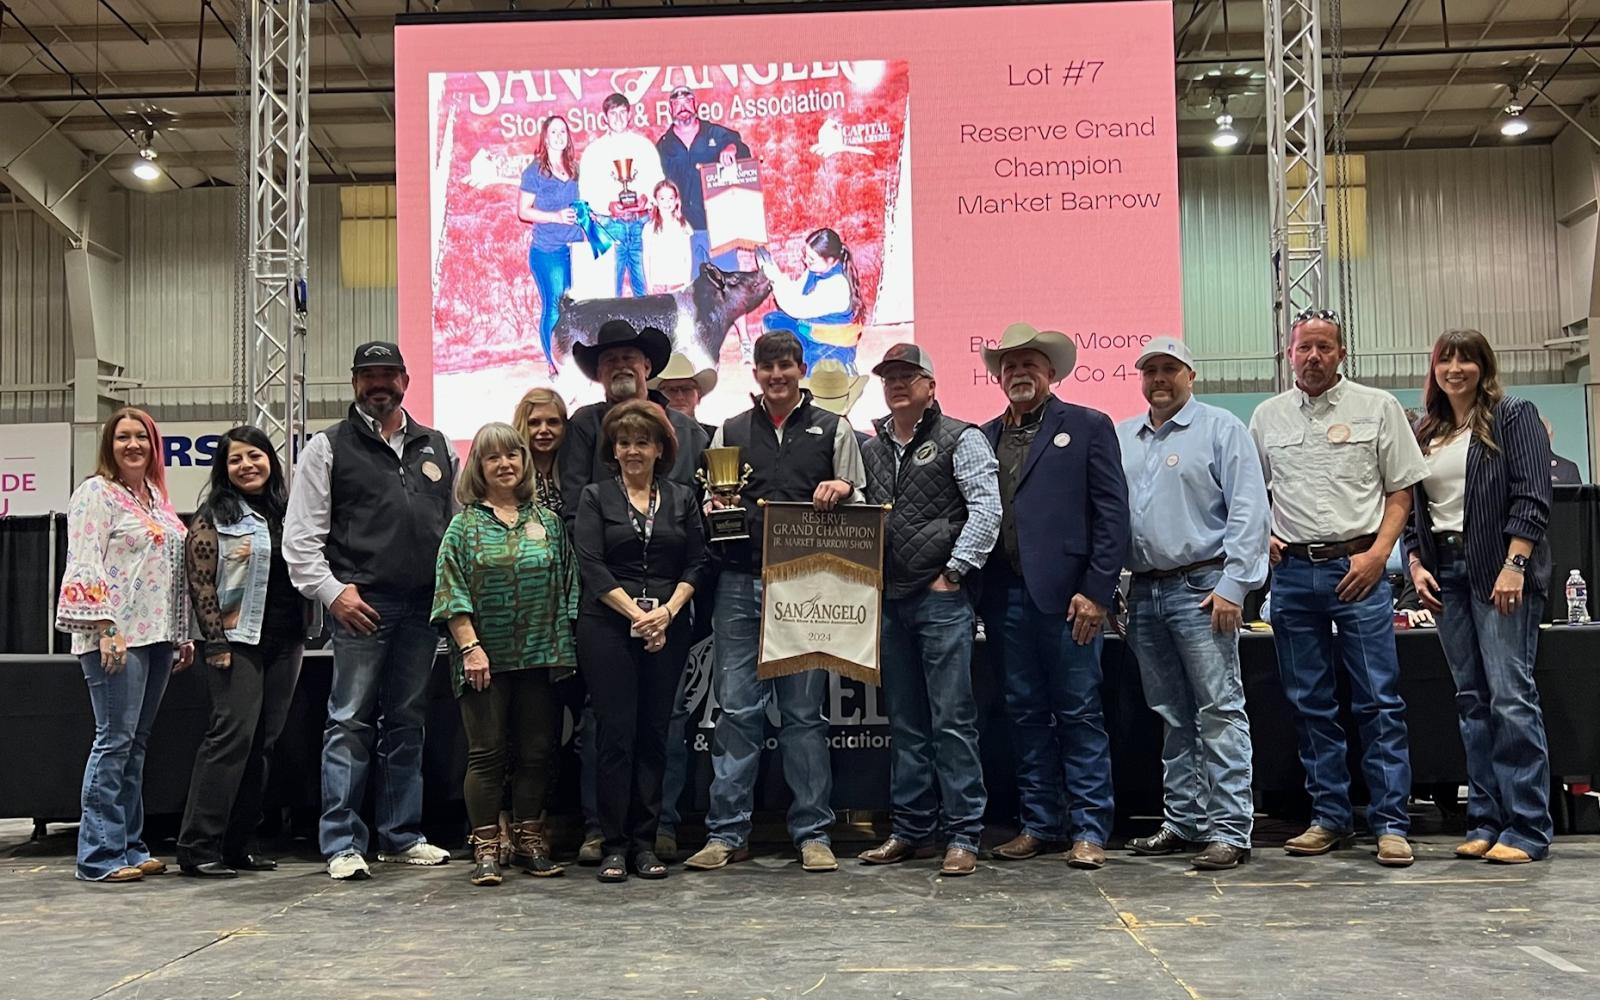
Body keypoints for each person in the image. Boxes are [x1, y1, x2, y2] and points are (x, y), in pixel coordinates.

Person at [1247, 310, 1429, 868]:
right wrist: (1268, 533)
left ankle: (1391, 823)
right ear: (1289, 353)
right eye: (1304, 348)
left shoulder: (1378, 408)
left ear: (1342, 355)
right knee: (1310, 703)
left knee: (1378, 699)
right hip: (1295, 576)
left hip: (1361, 568)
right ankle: (1328, 817)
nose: (1314, 357)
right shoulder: (1266, 417)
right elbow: (1251, 493)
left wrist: (1378, 556)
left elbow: (1402, 492)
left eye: (1325, 348)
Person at [682, 330, 867, 874]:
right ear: (755, 372)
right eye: (767, 367)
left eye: (786, 366)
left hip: (806, 586)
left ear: (800, 368)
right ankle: (726, 834)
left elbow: (860, 498)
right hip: (739, 582)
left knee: (803, 714)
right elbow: (710, 503)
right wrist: (715, 505)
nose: (777, 375)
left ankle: (813, 834)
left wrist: (842, 489)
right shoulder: (730, 430)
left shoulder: (834, 429)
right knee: (736, 711)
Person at [284, 341, 458, 880]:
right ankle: (340, 843)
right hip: (361, 605)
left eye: (389, 375)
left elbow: (451, 529)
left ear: (406, 380)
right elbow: (300, 540)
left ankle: (401, 836)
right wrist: (335, 593)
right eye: (368, 376)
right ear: (354, 382)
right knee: (348, 722)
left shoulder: (436, 444)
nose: (379, 385)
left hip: (423, 606)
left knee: (408, 722)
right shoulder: (327, 447)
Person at [977, 323, 1130, 871]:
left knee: (1079, 712)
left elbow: (1113, 516)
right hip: (1004, 597)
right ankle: (1040, 824)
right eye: (1010, 365)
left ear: (1051, 373)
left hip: (1071, 601)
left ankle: (1089, 828)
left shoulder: (1087, 426)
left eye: (1030, 364)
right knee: (1023, 714)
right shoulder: (984, 435)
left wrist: (1096, 592)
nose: (1019, 373)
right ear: (998, 376)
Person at [1116, 338, 1269, 872]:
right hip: (1142, 589)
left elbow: (1250, 508)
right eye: (1150, 370)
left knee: (1219, 708)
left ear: (1190, 375)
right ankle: (1185, 822)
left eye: (1169, 369)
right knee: (1172, 715)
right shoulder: (1123, 437)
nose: (1159, 378)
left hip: (1201, 588)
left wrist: (1234, 585)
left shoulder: (1222, 428)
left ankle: (1231, 830)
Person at [559, 320, 709, 864]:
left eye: (631, 357)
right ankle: (608, 836)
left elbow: (697, 556)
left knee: (659, 730)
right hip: (608, 619)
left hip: (668, 620)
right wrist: (633, 612)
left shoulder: (681, 486)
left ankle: (652, 836)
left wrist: (665, 613)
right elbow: (588, 552)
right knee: (610, 730)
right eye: (608, 358)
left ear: (649, 367)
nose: (632, 448)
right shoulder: (591, 466)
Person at [1404, 330, 1555, 864]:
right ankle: (1486, 820)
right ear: (1435, 369)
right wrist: (1416, 563)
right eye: (1446, 358)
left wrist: (1515, 565)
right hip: (1445, 575)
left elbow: (1534, 495)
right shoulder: (1427, 430)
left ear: (1483, 366)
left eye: (1466, 359)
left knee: (1511, 697)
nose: (1455, 368)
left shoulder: (1513, 415)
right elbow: (1412, 510)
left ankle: (1528, 828)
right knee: (1472, 701)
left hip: (1498, 570)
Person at [857, 344, 1001, 877]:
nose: (896, 384)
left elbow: (987, 507)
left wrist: (956, 572)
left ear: (931, 386)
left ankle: (964, 832)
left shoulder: (960, 438)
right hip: (891, 600)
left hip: (941, 600)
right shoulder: (871, 450)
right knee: (906, 722)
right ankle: (912, 830)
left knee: (952, 720)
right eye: (889, 376)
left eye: (908, 376)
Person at [433, 422, 577, 886]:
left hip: (540, 655)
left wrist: (565, 646)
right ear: (478, 466)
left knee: (537, 752)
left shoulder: (548, 523)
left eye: (512, 455)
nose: (505, 464)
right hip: (483, 659)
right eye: (493, 457)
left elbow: (569, 586)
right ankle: (487, 849)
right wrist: (470, 648)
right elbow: (450, 591)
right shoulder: (464, 525)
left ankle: (530, 839)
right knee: (486, 754)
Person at [56, 406, 195, 882]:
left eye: (142, 437)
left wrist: (181, 631)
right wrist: (104, 627)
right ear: (109, 445)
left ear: (154, 446)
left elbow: (170, 572)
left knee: (136, 744)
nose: (132, 444)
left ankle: (130, 846)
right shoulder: (97, 493)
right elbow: (84, 561)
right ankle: (98, 855)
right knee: (113, 742)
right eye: (123, 437)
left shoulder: (155, 497)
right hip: (115, 637)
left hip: (157, 637)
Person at [176, 426, 306, 878]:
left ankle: (239, 844)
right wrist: (214, 642)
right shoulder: (215, 515)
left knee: (262, 745)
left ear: (270, 460)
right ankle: (197, 847)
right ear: (224, 470)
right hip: (237, 642)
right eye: (236, 460)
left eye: (255, 456)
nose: (247, 465)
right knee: (230, 739)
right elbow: (200, 581)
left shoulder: (289, 514)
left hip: (287, 641)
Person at [646, 351, 720, 858]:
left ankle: (665, 822)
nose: (678, 396)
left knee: (676, 716)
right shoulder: (632, 449)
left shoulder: (717, 440)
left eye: (686, 388)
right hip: (637, 603)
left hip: (697, 596)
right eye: (669, 390)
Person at [578, 92, 666, 298]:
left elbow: (658, 183)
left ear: (629, 115)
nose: (618, 118)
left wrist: (647, 198)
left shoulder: (645, 147)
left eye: (622, 112)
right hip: (609, 227)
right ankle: (612, 331)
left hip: (642, 224)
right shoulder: (593, 152)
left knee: (647, 290)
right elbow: (586, 191)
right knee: (609, 292)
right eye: (613, 113)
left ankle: (650, 331)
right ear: (605, 118)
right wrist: (607, 205)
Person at [656, 84, 750, 271]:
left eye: (687, 102)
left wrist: (731, 148)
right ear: (670, 109)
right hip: (684, 229)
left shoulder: (715, 133)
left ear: (695, 104)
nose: (683, 107)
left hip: (719, 226)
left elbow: (743, 150)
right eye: (677, 104)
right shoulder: (664, 146)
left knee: (726, 283)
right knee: (692, 290)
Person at [518, 115, 585, 377]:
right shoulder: (534, 171)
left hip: (576, 249)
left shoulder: (576, 169)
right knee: (554, 305)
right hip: (548, 251)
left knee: (574, 307)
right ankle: (554, 363)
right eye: (554, 132)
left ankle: (571, 357)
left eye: (563, 131)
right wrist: (555, 216)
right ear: (545, 137)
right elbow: (523, 211)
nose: (559, 136)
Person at [757, 229, 865, 373]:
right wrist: (776, 273)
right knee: (771, 321)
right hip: (810, 331)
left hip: (831, 343)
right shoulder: (814, 270)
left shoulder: (837, 286)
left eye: (812, 259)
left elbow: (796, 308)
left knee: (806, 377)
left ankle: (845, 368)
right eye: (806, 256)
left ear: (831, 260)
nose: (806, 261)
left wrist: (775, 280)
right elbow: (795, 291)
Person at [513, 387, 568, 512]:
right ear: (522, 425)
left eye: (552, 422)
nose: (544, 430)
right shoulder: (511, 472)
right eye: (534, 423)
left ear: (564, 425)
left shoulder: (578, 470)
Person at [650, 352, 719, 441]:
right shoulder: (646, 435)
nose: (679, 397)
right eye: (671, 390)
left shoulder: (716, 437)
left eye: (687, 389)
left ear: (699, 396)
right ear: (658, 397)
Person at [644, 180, 696, 293]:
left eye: (670, 198)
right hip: (658, 286)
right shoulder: (649, 228)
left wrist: (687, 284)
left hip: (678, 285)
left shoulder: (683, 226)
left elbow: (687, 256)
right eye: (662, 198)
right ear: (655, 201)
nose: (666, 202)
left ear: (676, 200)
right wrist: (649, 285)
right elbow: (646, 258)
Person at [1542, 417, 1583, 485]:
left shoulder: (1568, 469)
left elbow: (1577, 495)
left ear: (1551, 436)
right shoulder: (1520, 468)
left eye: (1543, 434)